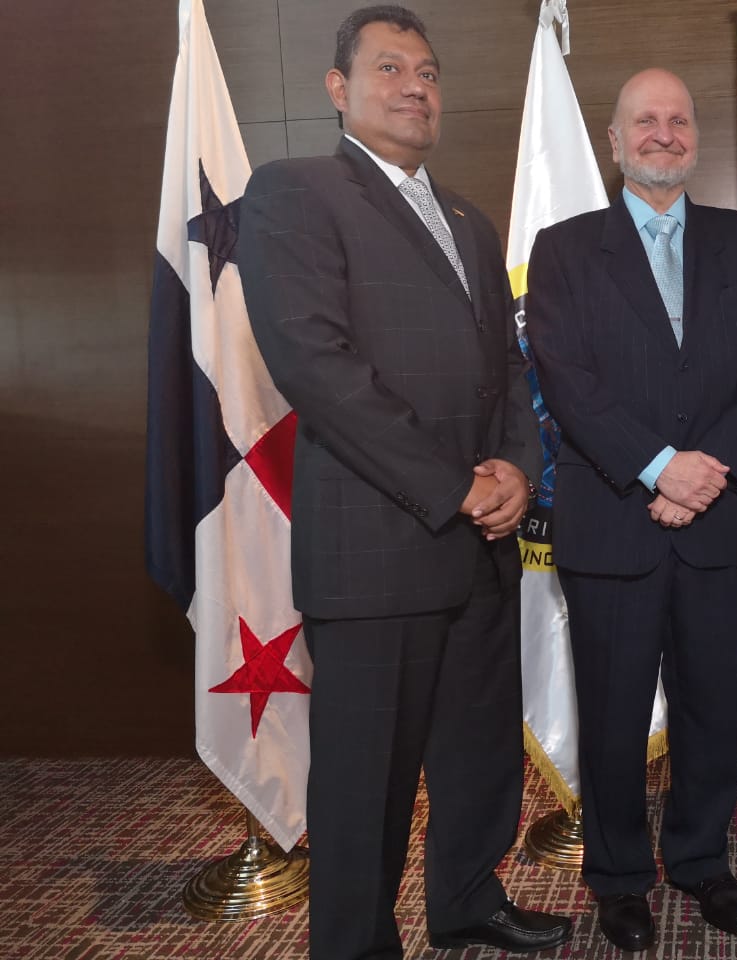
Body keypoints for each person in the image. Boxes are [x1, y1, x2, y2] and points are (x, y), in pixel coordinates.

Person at [237, 6, 572, 957]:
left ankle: (466, 901)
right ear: (339, 89)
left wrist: (517, 468)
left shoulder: (469, 220)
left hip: (480, 547)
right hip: (377, 552)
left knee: (477, 755)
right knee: (367, 783)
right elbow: (317, 367)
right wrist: (454, 485)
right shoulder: (294, 193)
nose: (415, 86)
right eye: (390, 69)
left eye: (427, 72)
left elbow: (508, 367)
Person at [524, 69, 737, 952]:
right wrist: (658, 470)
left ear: (696, 138)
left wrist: (705, 475)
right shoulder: (563, 250)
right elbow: (568, 382)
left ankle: (702, 860)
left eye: (679, 119)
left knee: (713, 709)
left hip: (715, 521)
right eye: (646, 120)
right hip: (613, 524)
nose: (664, 134)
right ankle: (618, 877)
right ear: (614, 140)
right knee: (612, 713)